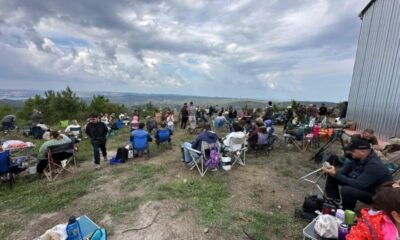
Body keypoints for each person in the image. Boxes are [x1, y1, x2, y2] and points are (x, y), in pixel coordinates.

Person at [322, 139, 392, 210]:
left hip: (377, 195)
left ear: (363, 152)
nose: (349, 152)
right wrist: (332, 171)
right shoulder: (357, 158)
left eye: (352, 151)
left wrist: (336, 174)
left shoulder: (374, 165)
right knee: (333, 176)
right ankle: (334, 204)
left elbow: (358, 185)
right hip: (366, 185)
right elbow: (342, 172)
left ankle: (347, 213)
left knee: (347, 190)